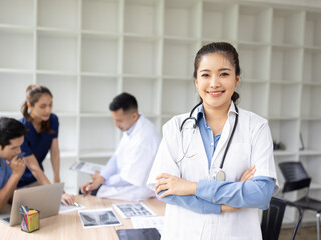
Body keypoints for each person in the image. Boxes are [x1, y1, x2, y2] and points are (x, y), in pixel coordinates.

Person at [147, 42, 279, 240]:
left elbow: (260, 194)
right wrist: (228, 204)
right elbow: (165, 190)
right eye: (206, 75)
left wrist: (190, 187)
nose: (214, 83)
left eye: (224, 74)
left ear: (236, 79)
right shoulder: (176, 127)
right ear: (196, 81)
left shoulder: (256, 127)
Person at [80, 92, 161, 201]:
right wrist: (101, 177)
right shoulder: (131, 127)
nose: (115, 124)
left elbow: (128, 179)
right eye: (114, 119)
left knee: (91, 191)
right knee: (88, 189)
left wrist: (101, 180)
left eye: (119, 120)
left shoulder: (145, 138)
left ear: (134, 116)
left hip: (137, 188)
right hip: (123, 180)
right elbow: (116, 157)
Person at [19, 84, 75, 206]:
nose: (48, 110)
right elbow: (33, 166)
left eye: (50, 105)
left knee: (58, 204)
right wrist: (55, 192)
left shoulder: (53, 120)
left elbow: (55, 152)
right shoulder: (21, 128)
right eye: (43, 106)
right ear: (30, 106)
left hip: (36, 179)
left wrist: (57, 181)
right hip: (18, 181)